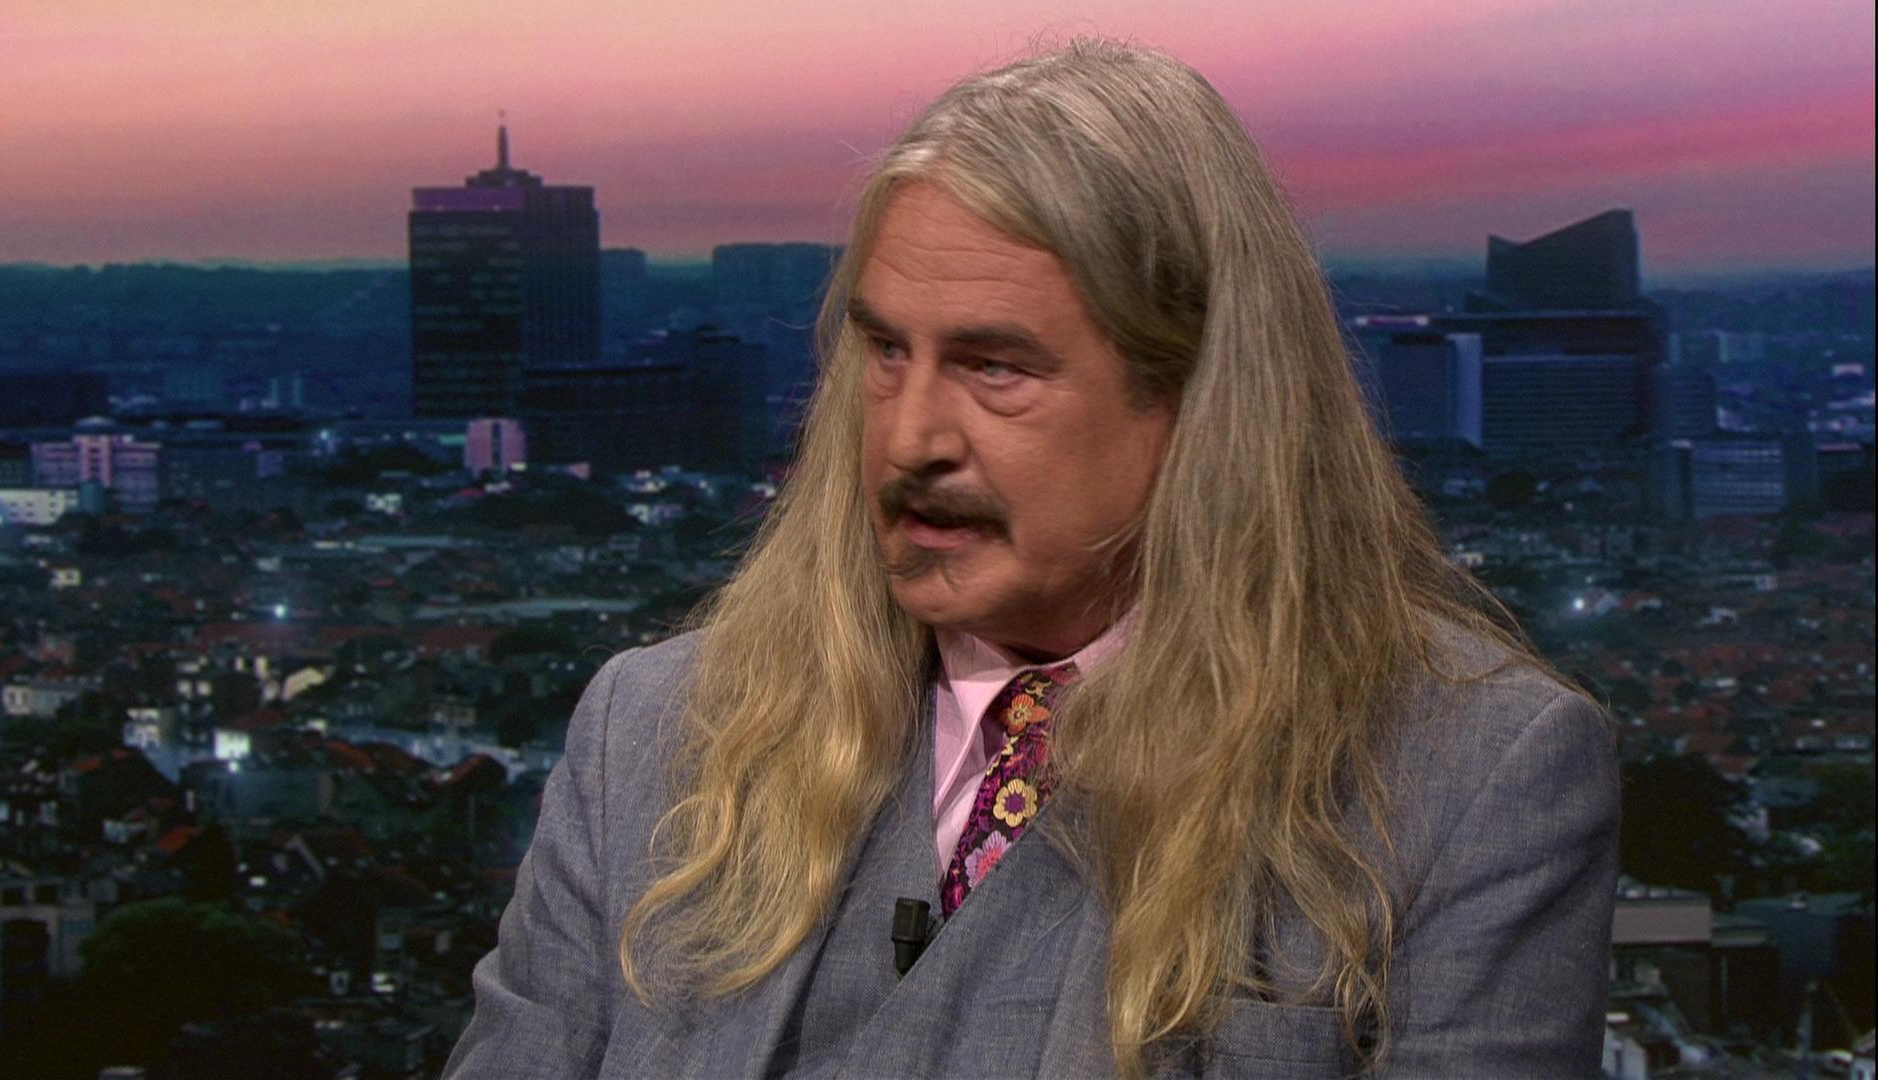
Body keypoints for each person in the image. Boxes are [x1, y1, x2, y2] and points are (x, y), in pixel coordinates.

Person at [444, 39, 1619, 1079]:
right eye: (886, 353)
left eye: (994, 367)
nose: (910, 438)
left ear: (1198, 397)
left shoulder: (1473, 780)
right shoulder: (652, 734)